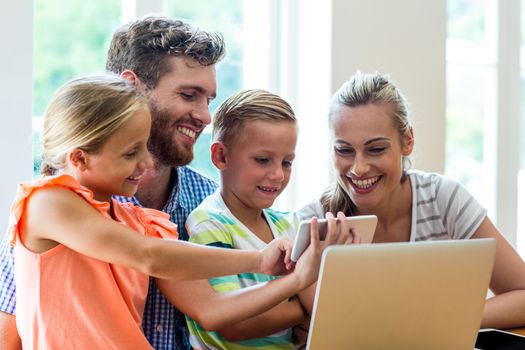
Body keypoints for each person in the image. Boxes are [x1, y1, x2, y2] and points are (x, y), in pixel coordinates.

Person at [10, 75, 312, 349]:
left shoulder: (140, 222)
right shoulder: (47, 203)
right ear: (79, 158)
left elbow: (211, 308)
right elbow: (149, 255)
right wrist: (261, 261)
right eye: (131, 152)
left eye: (144, 146)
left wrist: (293, 282)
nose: (147, 163)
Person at [0, 16, 248, 349]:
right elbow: (11, 330)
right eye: (189, 95)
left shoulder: (208, 202)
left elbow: (217, 309)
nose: (205, 116)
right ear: (132, 87)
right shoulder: (56, 202)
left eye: (209, 101)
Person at [298, 71, 525, 330]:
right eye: (344, 150)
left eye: (376, 149)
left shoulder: (442, 198)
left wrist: (436, 320)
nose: (358, 168)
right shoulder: (313, 224)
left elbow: (522, 295)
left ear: (407, 142)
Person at [161, 89, 357, 349]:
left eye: (287, 163)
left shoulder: (290, 225)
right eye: (263, 160)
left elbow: (322, 307)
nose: (277, 175)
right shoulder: (210, 223)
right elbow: (234, 324)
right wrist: (299, 303)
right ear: (221, 156)